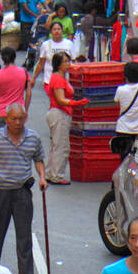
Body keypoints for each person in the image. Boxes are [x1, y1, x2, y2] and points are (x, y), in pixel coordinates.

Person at [0, 103, 46, 274]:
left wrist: (42, 177)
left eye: (20, 119)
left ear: (25, 118)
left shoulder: (33, 137)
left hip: (22, 191)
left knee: (24, 233)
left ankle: (27, 273)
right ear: (6, 119)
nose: (17, 122)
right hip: (0, 190)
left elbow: (39, 159)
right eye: (13, 119)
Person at [42, 52, 84, 185]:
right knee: (62, 146)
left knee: (56, 145)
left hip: (58, 113)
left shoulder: (58, 77)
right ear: (58, 64)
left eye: (68, 61)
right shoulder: (59, 79)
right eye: (65, 62)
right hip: (60, 113)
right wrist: (76, 103)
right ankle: (57, 175)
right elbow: (60, 99)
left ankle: (50, 172)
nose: (68, 64)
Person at [112, 60, 138, 159]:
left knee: (124, 160)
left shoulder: (120, 90)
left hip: (123, 130)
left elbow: (117, 102)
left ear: (125, 75)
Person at [0, 46, 29, 128]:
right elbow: (28, 94)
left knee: (1, 135)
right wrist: (25, 110)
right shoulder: (24, 72)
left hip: (1, 112)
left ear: (2, 58)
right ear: (14, 57)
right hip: (17, 112)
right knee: (16, 135)